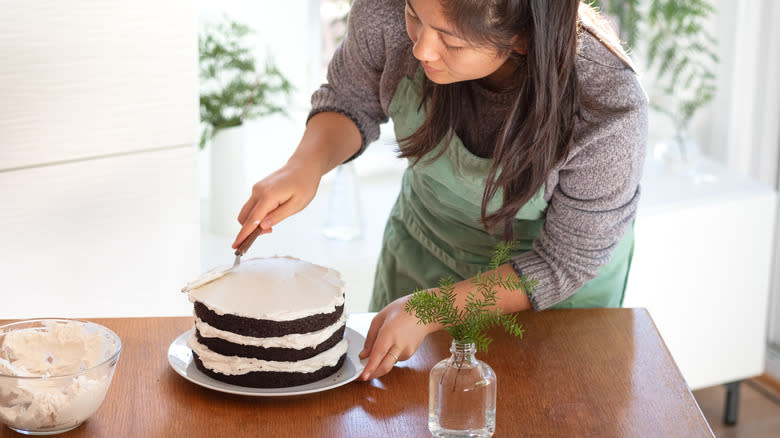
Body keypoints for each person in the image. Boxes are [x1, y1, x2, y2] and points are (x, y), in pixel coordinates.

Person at [232, 0, 647, 382]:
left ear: (520, 37)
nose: (422, 50)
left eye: (450, 40)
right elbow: (351, 98)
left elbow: (565, 261)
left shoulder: (607, 104)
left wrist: (434, 308)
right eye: (414, 14)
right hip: (423, 250)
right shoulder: (387, 11)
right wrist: (305, 166)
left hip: (546, 294)